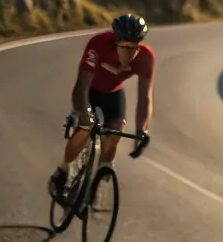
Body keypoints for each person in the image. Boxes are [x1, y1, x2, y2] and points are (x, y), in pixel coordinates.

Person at [48, 14, 154, 202]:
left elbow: (145, 97)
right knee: (84, 129)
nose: (130, 54)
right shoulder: (98, 45)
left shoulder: (146, 57)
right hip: (90, 91)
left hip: (114, 93)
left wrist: (142, 130)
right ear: (116, 42)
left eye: (134, 48)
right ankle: (63, 169)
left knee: (115, 132)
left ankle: (100, 178)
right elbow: (81, 87)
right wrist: (84, 116)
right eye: (125, 47)